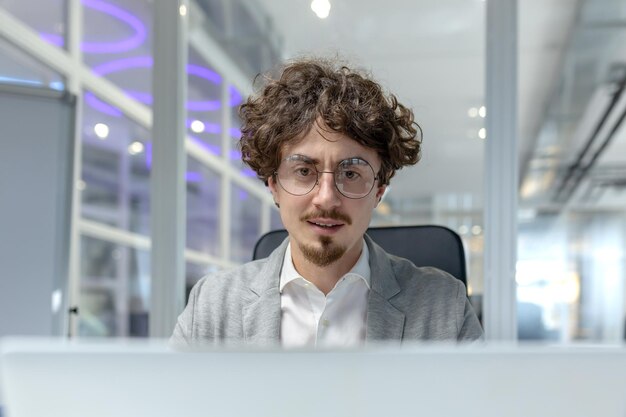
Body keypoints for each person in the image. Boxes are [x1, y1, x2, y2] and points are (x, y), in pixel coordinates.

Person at [171, 57, 483, 347]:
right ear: (274, 184)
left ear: (379, 189)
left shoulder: (445, 308)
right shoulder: (211, 307)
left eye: (351, 173)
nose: (326, 197)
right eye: (304, 171)